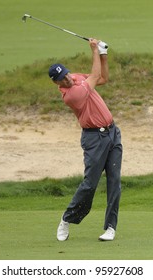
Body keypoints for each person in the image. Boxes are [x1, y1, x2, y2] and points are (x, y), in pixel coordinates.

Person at [48, 38, 122, 242]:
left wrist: (104, 54)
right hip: (94, 139)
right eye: (62, 79)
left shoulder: (76, 77)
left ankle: (110, 228)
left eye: (66, 74)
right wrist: (94, 50)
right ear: (56, 83)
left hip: (112, 132)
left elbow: (103, 78)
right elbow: (96, 74)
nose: (67, 79)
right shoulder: (71, 95)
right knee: (90, 184)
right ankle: (67, 218)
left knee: (114, 182)